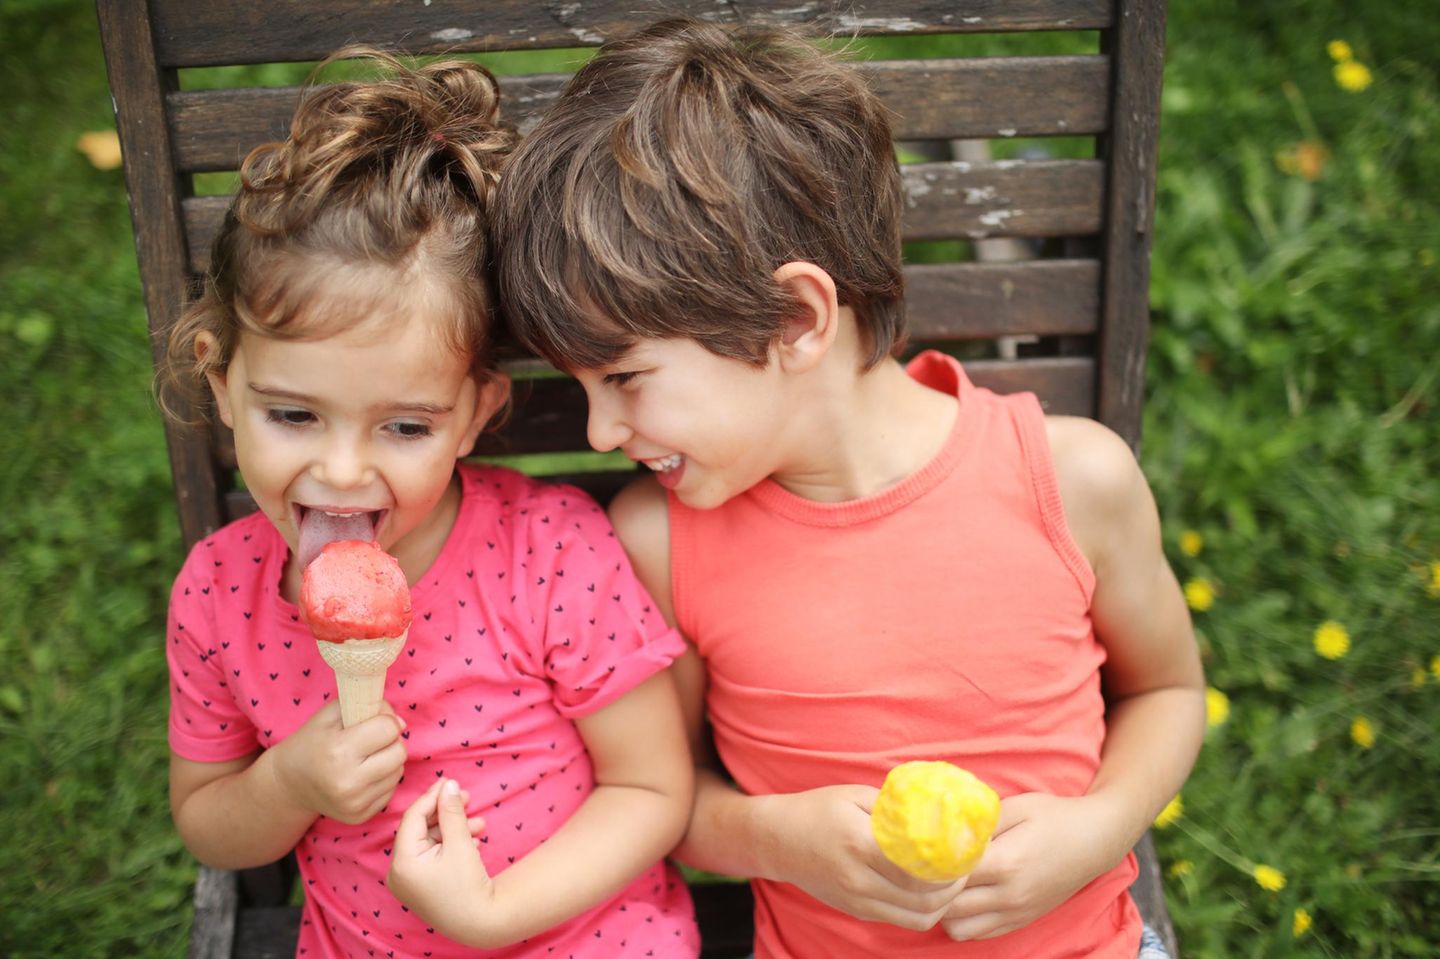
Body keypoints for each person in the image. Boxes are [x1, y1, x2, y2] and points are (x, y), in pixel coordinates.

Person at [491, 18, 1205, 959]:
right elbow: (668, 798)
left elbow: (1170, 692)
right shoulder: (663, 542)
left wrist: (1100, 826)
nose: (600, 432)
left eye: (623, 379)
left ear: (795, 320)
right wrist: (777, 840)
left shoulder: (1071, 480)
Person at [156, 47, 697, 959]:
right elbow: (209, 825)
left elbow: (650, 791)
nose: (340, 470)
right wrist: (288, 783)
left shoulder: (549, 551)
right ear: (220, 383)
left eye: (403, 428)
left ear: (475, 413)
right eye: (291, 414)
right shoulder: (218, 594)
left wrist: (499, 911)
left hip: (588, 936)